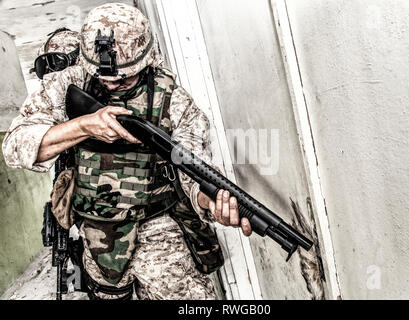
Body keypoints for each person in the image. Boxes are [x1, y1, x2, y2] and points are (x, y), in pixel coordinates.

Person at [2, 3, 251, 300]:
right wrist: (83, 127)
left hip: (158, 231)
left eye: (124, 78)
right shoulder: (67, 83)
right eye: (103, 76)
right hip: (96, 236)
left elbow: (191, 167)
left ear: (148, 60)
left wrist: (207, 199)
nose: (111, 84)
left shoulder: (173, 100)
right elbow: (15, 146)